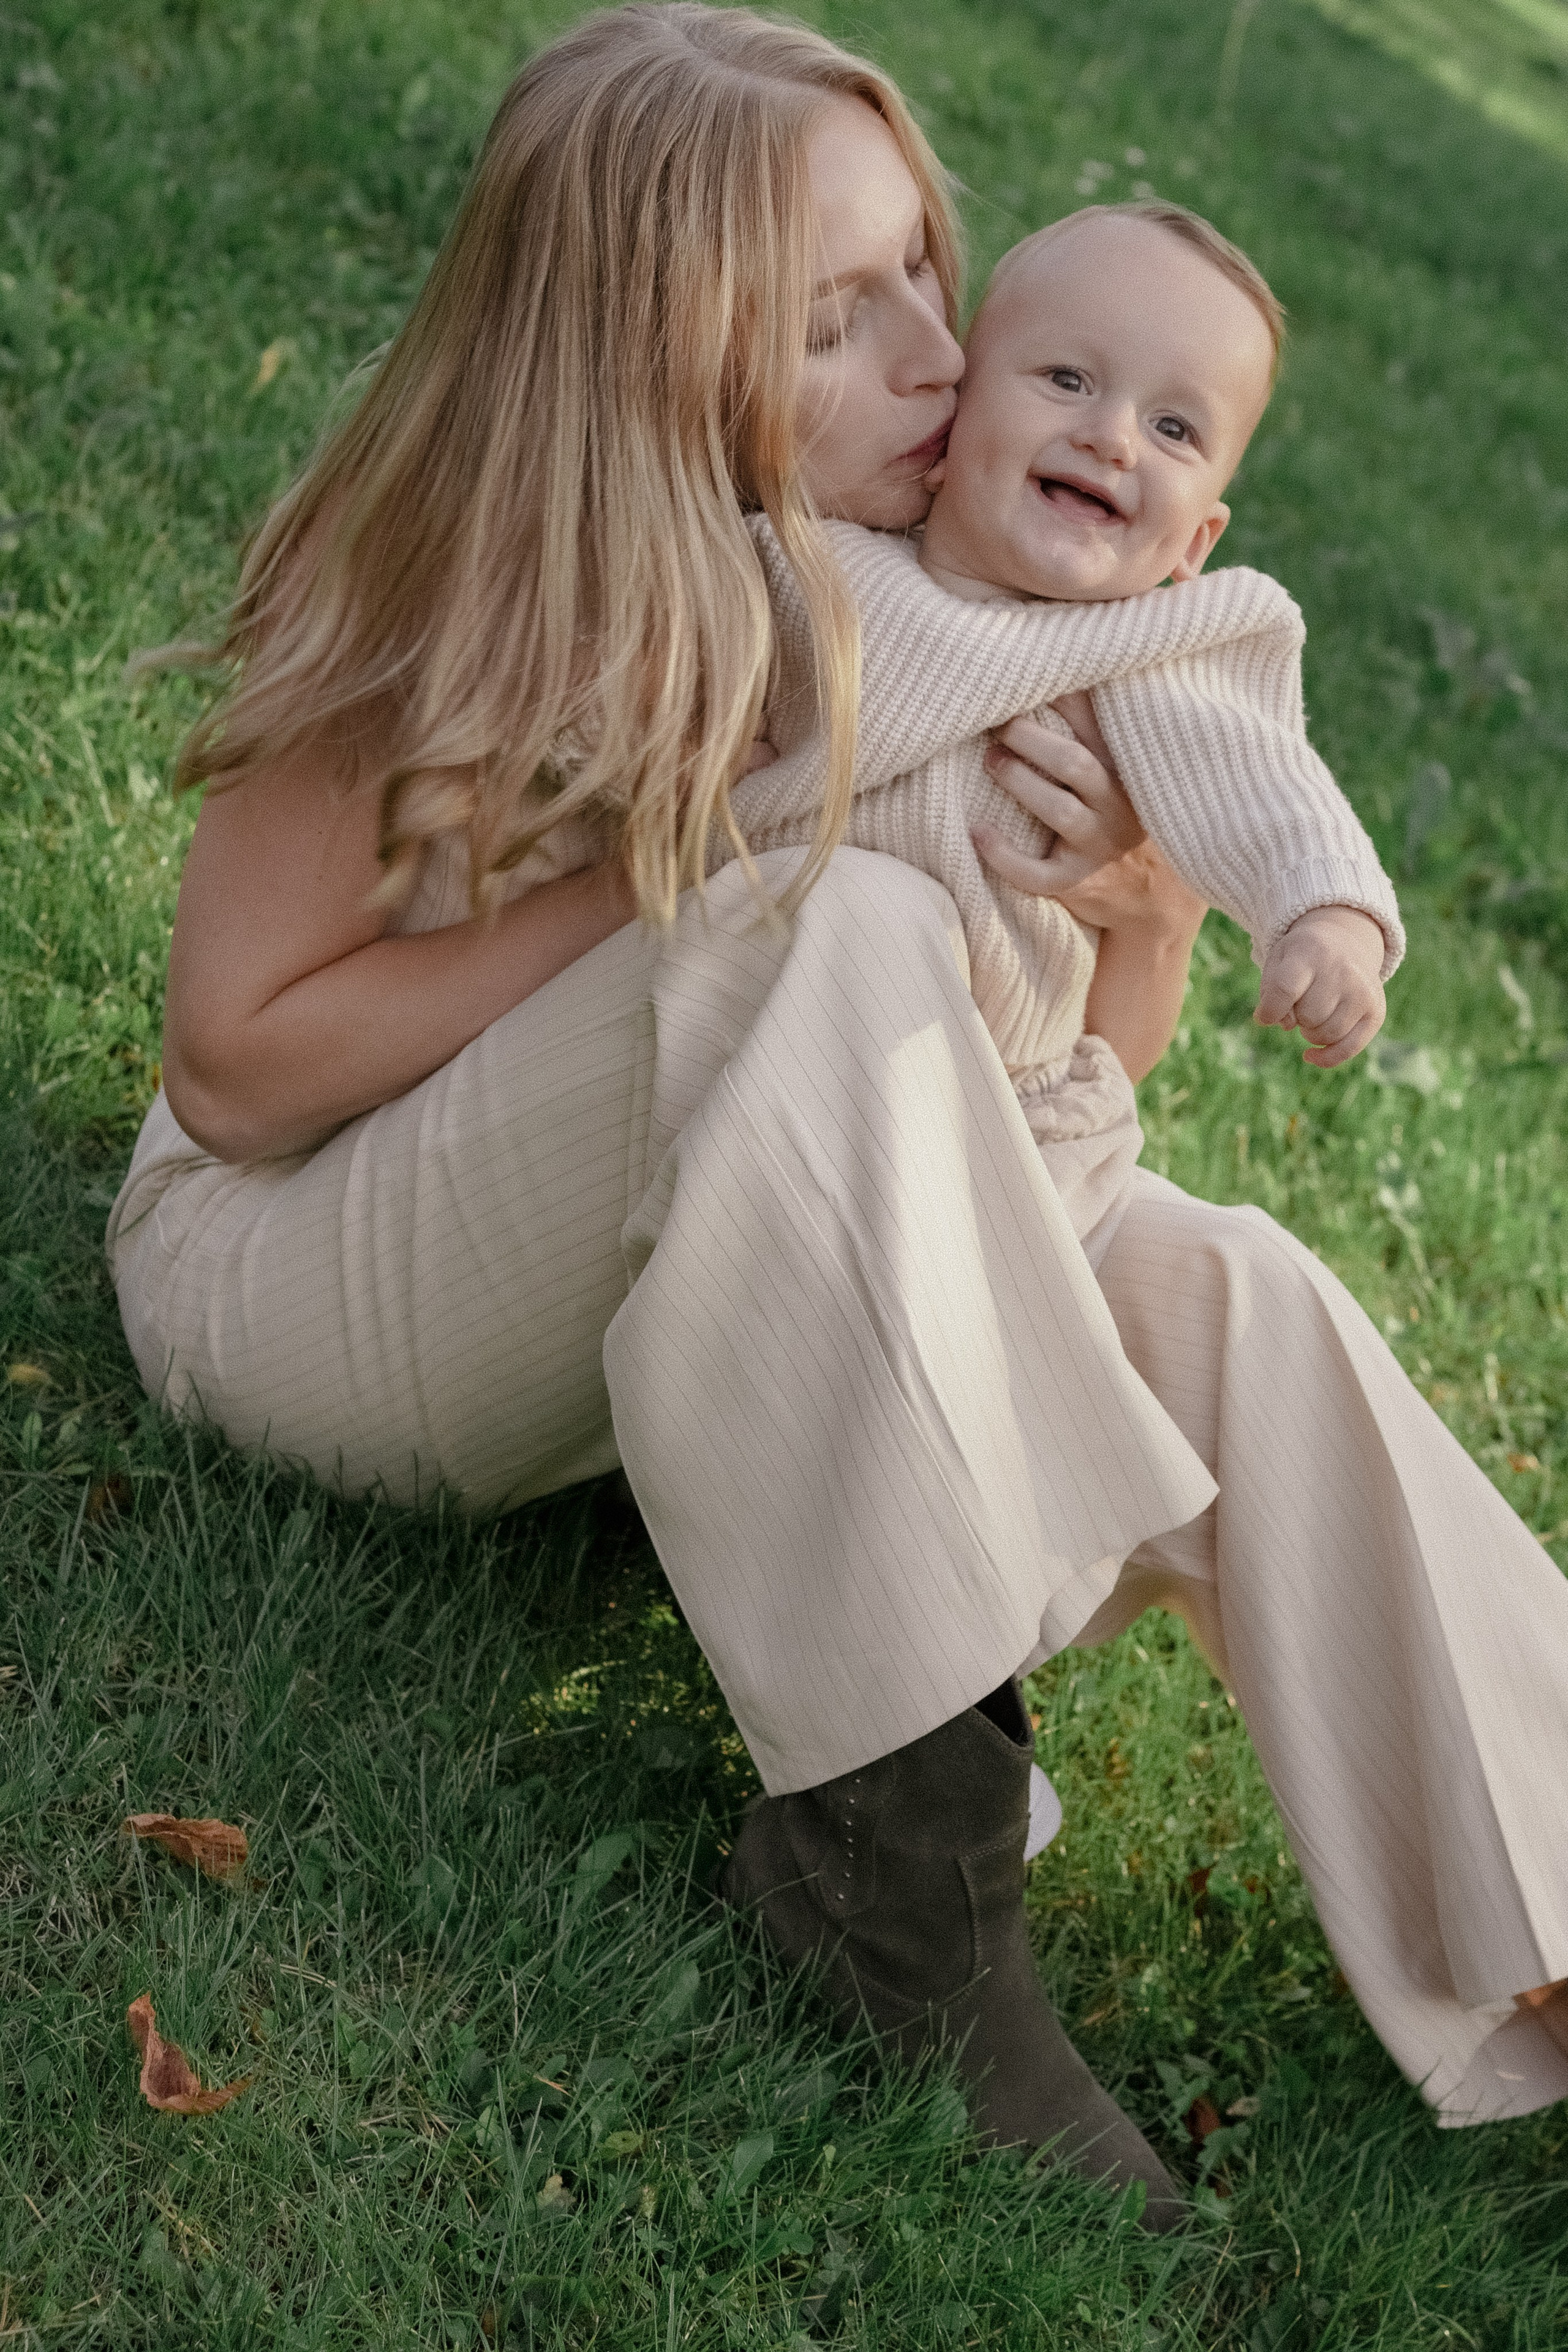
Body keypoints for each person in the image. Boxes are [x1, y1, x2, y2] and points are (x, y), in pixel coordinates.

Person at [107, 4, 1567, 2241]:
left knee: (1234, 1287)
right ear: (653, 354)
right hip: (292, 1283)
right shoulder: (475, 574)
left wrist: (1135, 901)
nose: (938, 353)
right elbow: (233, 1064)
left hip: (607, 1260)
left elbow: (1040, 1099)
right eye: (835, 317)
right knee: (828, 921)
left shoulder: (921, 594)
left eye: (923, 273)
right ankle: (904, 1885)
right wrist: (670, 872)